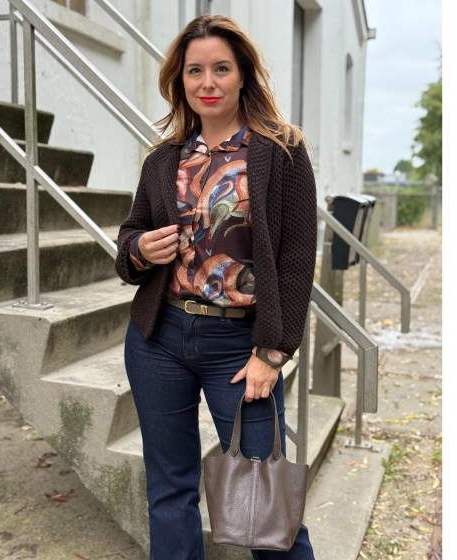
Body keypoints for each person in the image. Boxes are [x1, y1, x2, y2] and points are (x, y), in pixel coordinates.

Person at [115, 14, 317, 560]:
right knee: (169, 491)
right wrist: (140, 248)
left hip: (240, 347)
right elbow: (129, 239)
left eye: (221, 69)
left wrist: (273, 352)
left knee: (267, 506)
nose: (208, 82)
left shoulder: (282, 151)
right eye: (195, 71)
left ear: (243, 74)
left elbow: (297, 261)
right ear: (180, 80)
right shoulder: (165, 159)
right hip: (159, 339)